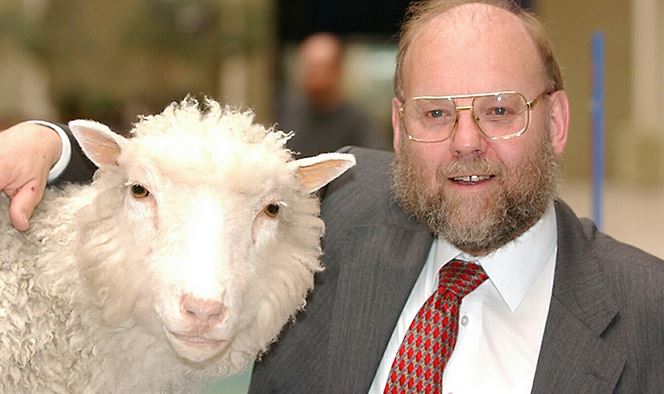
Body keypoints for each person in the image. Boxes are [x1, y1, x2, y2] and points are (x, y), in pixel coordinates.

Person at [1, 0, 663, 392]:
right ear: (400, 129)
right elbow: (200, 169)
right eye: (435, 114)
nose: (466, 142)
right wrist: (46, 144)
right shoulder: (337, 210)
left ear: (555, 123)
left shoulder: (646, 316)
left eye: (498, 110)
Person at [278, 32, 389, 157]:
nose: (312, 75)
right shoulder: (287, 112)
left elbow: (375, 161)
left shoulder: (359, 121)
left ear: (337, 70)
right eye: (308, 67)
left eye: (319, 68)